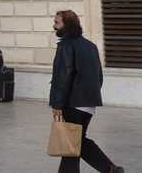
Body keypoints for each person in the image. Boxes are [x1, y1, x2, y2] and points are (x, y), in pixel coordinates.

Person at [50, 10, 125, 173]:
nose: (54, 26)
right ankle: (110, 169)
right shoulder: (90, 46)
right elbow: (99, 75)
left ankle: (110, 169)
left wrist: (57, 104)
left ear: (67, 25)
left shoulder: (66, 45)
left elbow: (63, 76)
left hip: (72, 103)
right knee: (78, 141)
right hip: (89, 103)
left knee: (70, 145)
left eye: (57, 22)